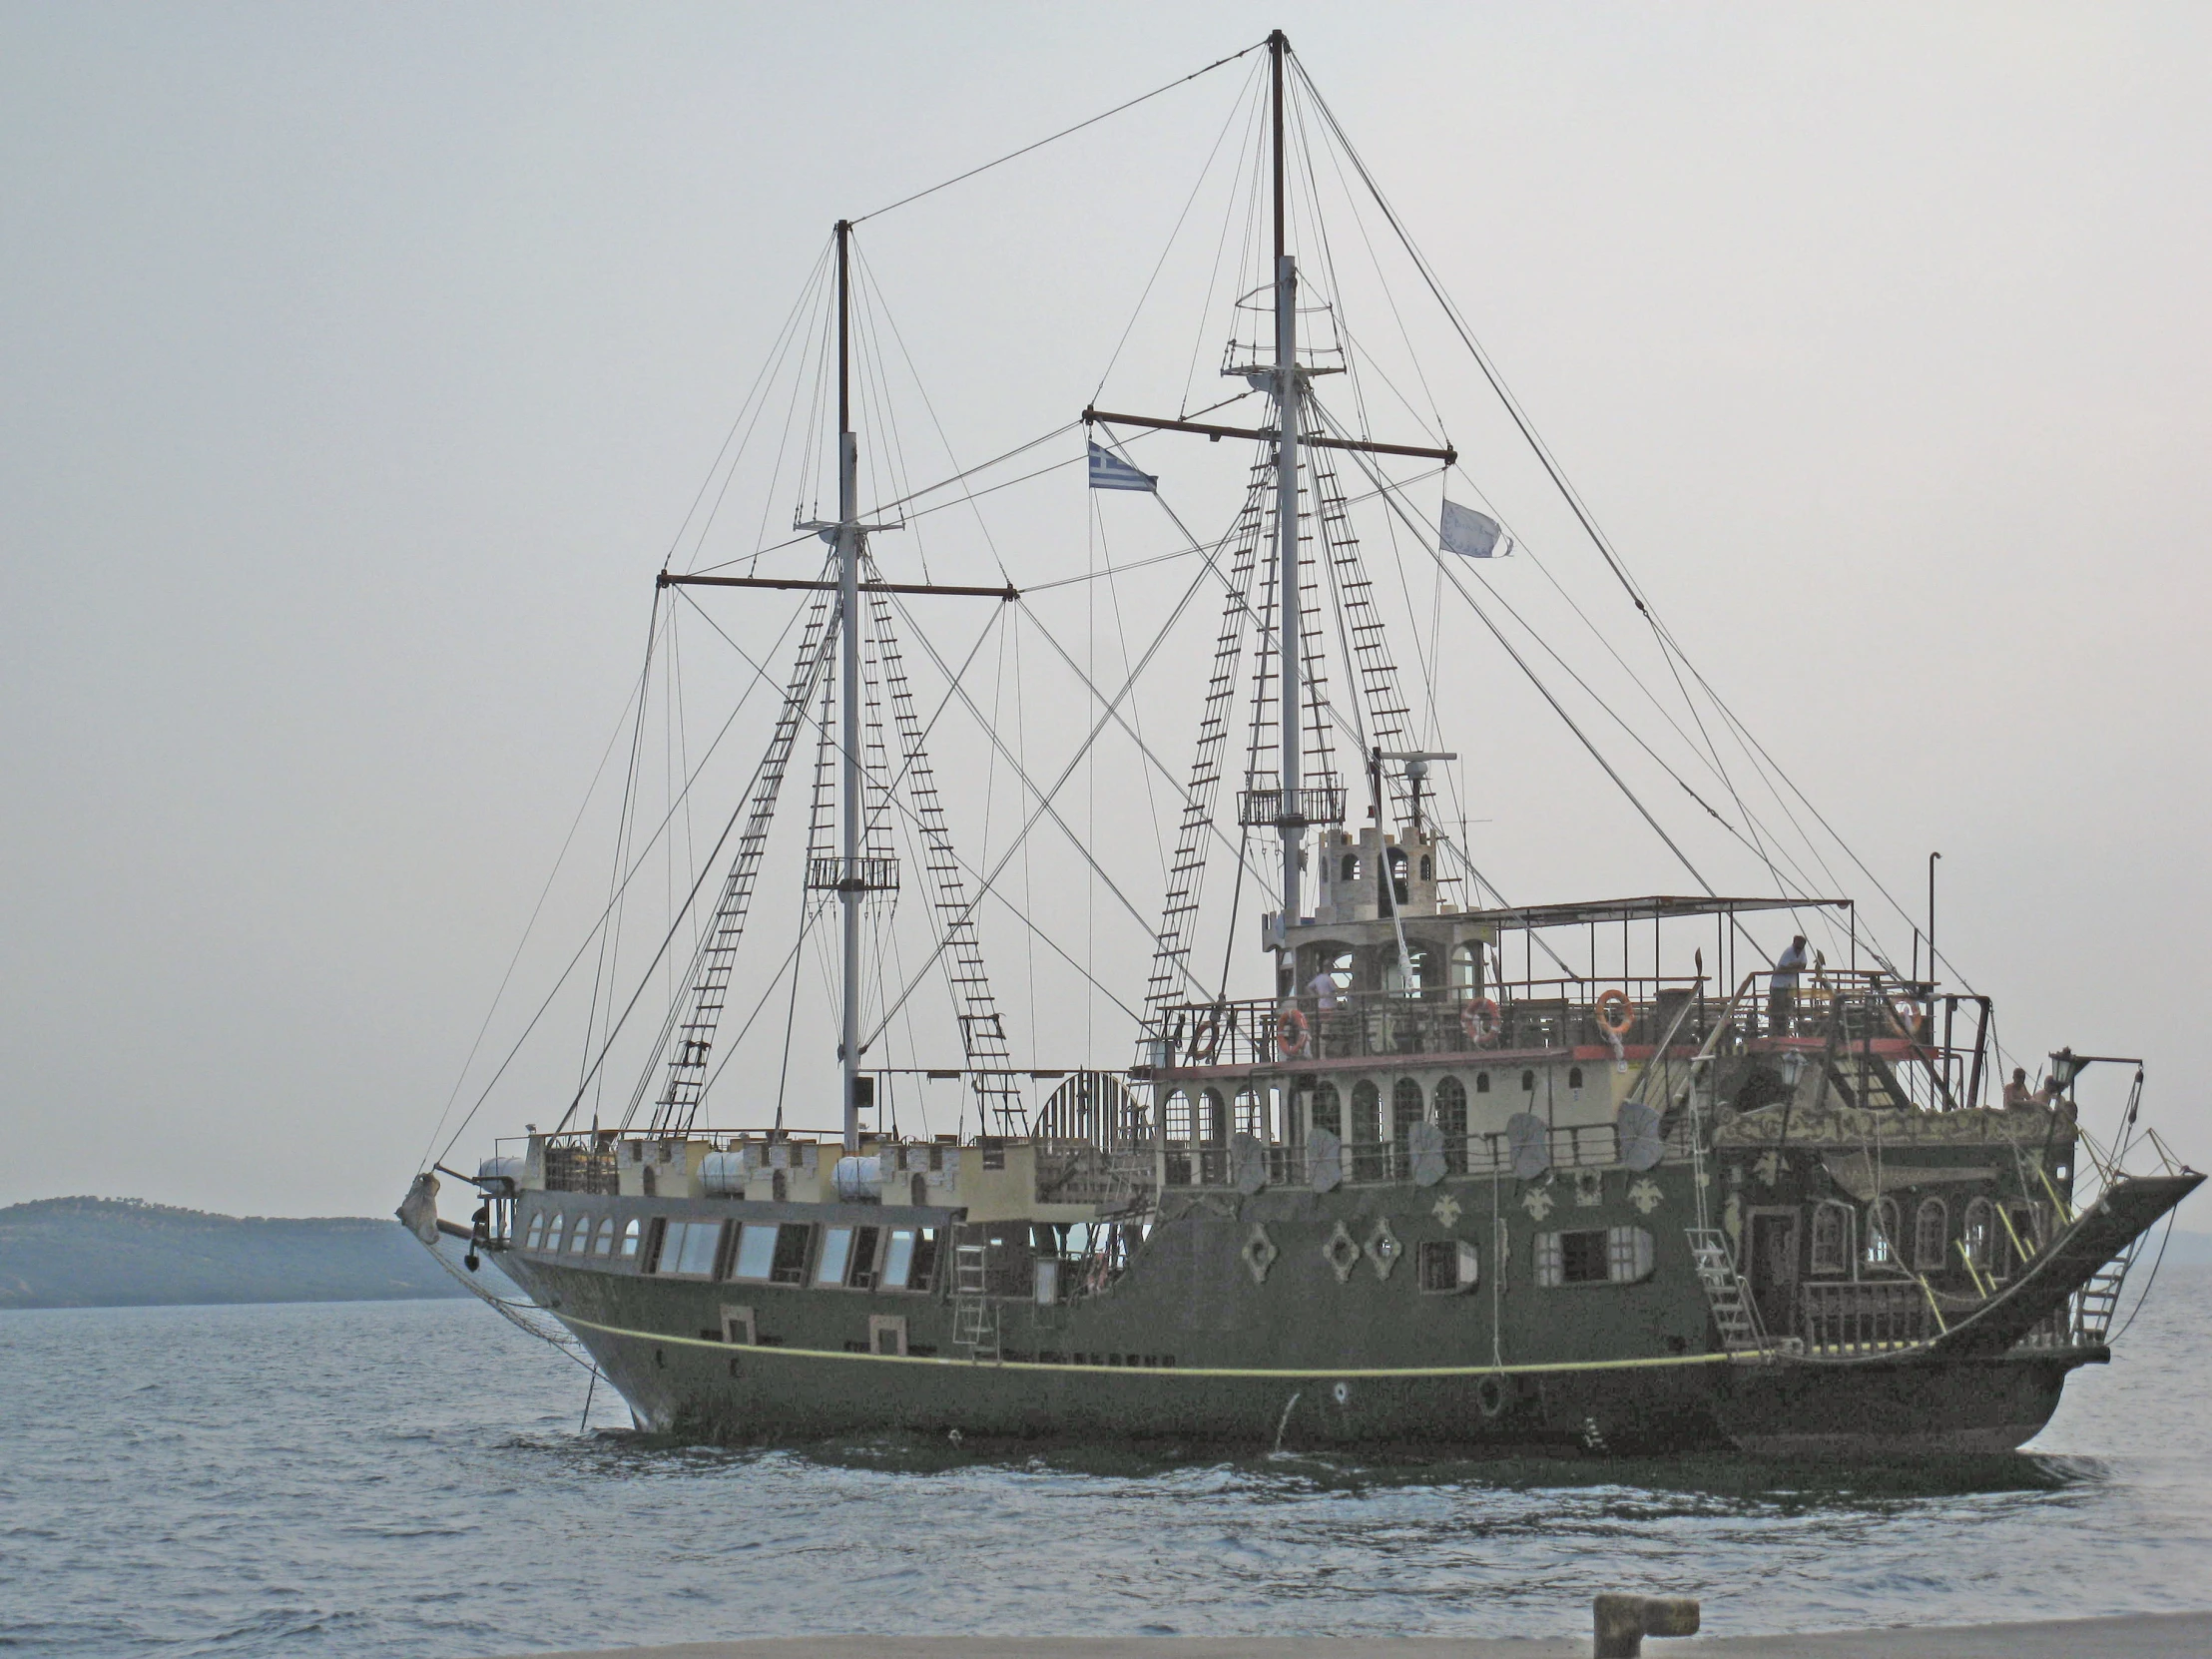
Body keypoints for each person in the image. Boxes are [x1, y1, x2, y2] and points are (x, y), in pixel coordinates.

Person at [1767, 935, 1808, 1035]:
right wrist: (1794, 967)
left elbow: (1803, 966)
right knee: (1778, 1011)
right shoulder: (1788, 952)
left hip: (1789, 985)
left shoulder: (1802, 952)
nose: (1799, 949)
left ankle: (1784, 1032)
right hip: (1779, 986)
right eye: (1797, 947)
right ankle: (1776, 1033)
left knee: (1788, 1009)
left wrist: (1792, 967)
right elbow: (1782, 968)